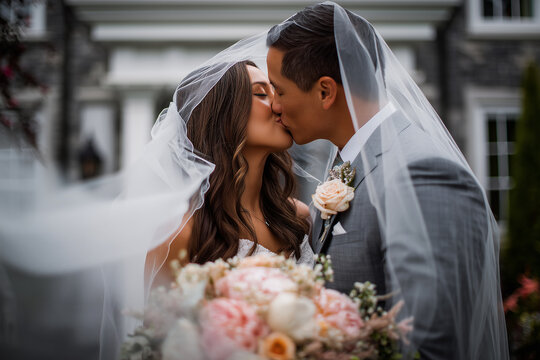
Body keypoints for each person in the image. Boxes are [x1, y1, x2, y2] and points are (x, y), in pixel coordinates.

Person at [265, 2, 508, 360]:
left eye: (279, 90)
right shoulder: (352, 163)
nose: (274, 105)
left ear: (325, 92)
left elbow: (432, 345)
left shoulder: (423, 175)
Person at [147, 60, 313, 287]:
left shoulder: (298, 218)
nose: (279, 105)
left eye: (277, 91)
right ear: (222, 116)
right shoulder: (180, 235)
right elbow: (158, 322)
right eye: (261, 94)